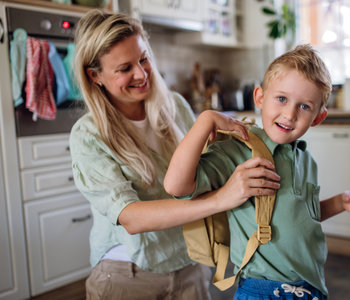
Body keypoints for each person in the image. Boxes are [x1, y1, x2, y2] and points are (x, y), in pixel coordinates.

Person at [70, 10, 280, 300]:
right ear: (95, 76)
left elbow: (203, 174)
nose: (142, 74)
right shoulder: (88, 135)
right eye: (124, 68)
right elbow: (131, 217)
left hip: (189, 263)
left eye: (144, 59)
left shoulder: (176, 106)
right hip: (126, 273)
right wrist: (221, 198)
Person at [164, 44, 350, 299]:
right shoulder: (238, 151)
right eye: (281, 99)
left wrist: (339, 202)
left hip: (310, 288)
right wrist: (205, 120)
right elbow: (175, 185)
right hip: (262, 290)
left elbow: (302, 218)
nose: (290, 114)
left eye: (304, 106)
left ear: (318, 117)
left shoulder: (305, 159)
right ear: (260, 97)